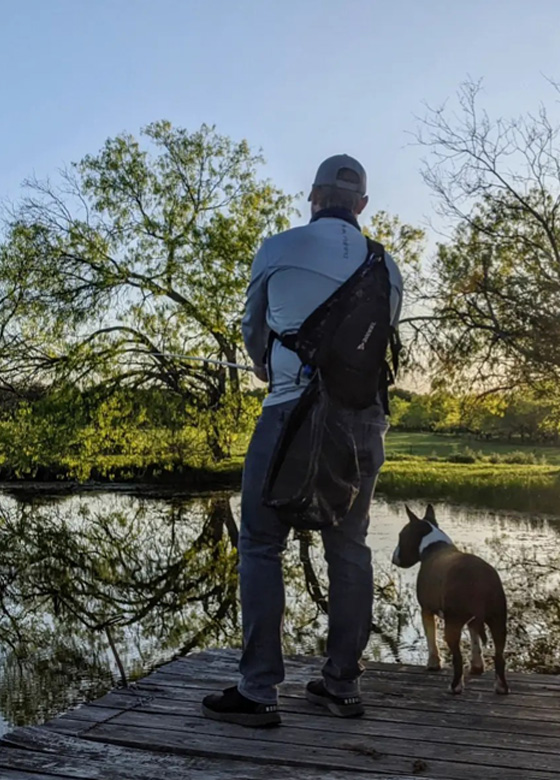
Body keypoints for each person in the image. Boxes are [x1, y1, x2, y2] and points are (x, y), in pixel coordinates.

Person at [202, 155, 403, 726]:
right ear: (361, 204)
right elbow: (374, 346)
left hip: (290, 412)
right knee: (351, 546)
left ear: (312, 196)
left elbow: (253, 331)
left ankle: (259, 691)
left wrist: (274, 370)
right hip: (363, 422)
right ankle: (341, 686)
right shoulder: (388, 267)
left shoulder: (277, 248)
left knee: (262, 545)